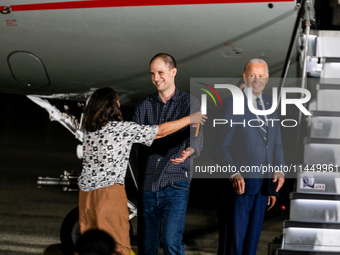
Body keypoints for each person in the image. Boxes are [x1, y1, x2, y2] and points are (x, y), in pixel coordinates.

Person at [78, 87, 206, 255]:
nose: (119, 103)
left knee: (90, 247)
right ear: (112, 106)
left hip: (85, 195)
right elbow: (160, 131)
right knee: (118, 246)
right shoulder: (120, 129)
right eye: (117, 100)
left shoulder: (89, 131)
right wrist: (190, 118)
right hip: (108, 193)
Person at [211, 59, 285, 255]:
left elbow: (276, 143)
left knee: (251, 246)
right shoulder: (231, 104)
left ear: (267, 78)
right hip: (240, 187)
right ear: (245, 77)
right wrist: (233, 173)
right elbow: (220, 147)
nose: (256, 80)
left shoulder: (271, 105)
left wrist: (279, 171)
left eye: (261, 76)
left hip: (262, 187)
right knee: (234, 244)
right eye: (252, 75)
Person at [132, 53, 203, 255]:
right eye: (152, 74)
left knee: (172, 243)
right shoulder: (143, 106)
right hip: (148, 184)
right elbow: (135, 136)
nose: (156, 78)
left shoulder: (191, 103)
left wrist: (190, 150)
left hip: (176, 182)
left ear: (173, 72)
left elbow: (197, 135)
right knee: (146, 246)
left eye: (160, 72)